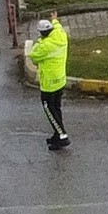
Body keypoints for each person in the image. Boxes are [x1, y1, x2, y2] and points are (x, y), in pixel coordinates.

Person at [27, 11, 70, 150]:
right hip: (60, 80)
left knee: (50, 110)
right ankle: (57, 135)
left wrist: (40, 40)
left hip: (49, 85)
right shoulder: (60, 35)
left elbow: (33, 55)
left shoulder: (44, 46)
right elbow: (58, 26)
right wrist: (55, 20)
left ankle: (62, 136)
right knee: (56, 108)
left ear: (41, 33)